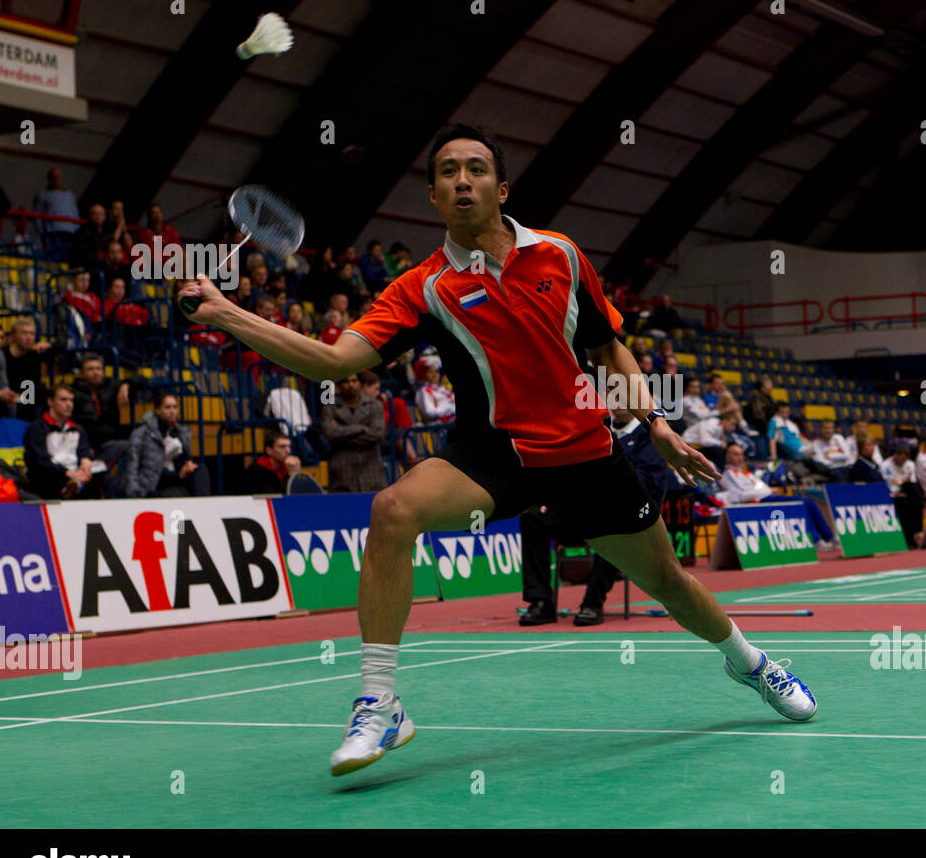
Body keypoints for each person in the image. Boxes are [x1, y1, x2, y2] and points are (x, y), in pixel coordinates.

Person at [177, 121, 816, 776]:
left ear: (501, 187)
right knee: (394, 510)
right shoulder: (421, 287)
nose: (462, 179)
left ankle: (754, 665)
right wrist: (230, 314)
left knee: (671, 585)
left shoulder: (561, 257)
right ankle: (379, 702)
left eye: (475, 168)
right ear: (432, 196)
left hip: (582, 450)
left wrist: (656, 421)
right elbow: (333, 362)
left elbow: (607, 347)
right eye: (448, 170)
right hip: (491, 455)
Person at [518, 405, 673, 626]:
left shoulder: (647, 436)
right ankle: (540, 602)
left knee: (612, 524)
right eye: (612, 395)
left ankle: (592, 602)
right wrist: (551, 499)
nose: (617, 402)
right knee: (533, 519)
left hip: (624, 517)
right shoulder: (596, 428)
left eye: (622, 396)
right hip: (580, 511)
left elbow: (648, 484)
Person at [24, 386, 105, 499]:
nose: (69, 404)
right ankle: (72, 487)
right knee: (46, 473)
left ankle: (76, 487)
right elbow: (39, 459)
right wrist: (68, 473)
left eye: (71, 400)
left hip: (75, 472)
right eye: (63, 400)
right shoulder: (37, 428)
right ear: (50, 402)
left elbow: (84, 450)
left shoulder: (79, 429)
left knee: (103, 472)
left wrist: (85, 461)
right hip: (51, 473)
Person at [123, 393, 210, 497]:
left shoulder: (181, 432)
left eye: (175, 407)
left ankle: (204, 504)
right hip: (155, 483)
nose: (172, 411)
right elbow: (133, 465)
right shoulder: (142, 433)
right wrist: (133, 493)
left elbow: (186, 458)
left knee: (200, 469)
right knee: (176, 495)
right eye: (167, 407)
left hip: (178, 479)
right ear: (157, 410)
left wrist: (187, 465)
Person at [319, 372, 386, 493]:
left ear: (360, 384)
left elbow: (378, 434)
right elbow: (330, 433)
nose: (351, 385)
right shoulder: (330, 407)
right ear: (339, 386)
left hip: (372, 471)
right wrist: (361, 429)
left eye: (354, 381)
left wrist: (342, 433)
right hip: (342, 473)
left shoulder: (375, 405)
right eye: (346, 381)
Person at [70, 353, 139, 467]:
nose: (95, 372)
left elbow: (141, 379)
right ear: (82, 373)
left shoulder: (111, 385)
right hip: (83, 443)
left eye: (98, 369)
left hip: (109, 439)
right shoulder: (73, 391)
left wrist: (126, 384)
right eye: (90, 369)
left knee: (134, 447)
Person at [2, 316, 53, 421]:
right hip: (7, 401)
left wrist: (48, 345)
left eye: (32, 333)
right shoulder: (2, 355)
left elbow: (62, 347)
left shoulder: (34, 355)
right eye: (24, 333)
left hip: (28, 402)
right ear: (13, 335)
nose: (29, 337)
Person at [881, 441, 923, 548]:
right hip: (892, 494)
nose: (903, 463)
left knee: (916, 501)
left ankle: (917, 532)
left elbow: (911, 484)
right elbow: (886, 486)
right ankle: (908, 538)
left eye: (905, 460)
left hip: (906, 492)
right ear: (896, 455)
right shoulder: (886, 466)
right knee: (904, 504)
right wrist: (898, 494)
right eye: (901, 459)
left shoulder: (910, 465)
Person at [31, 167, 79, 259]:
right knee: (54, 258)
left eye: (59, 177)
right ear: (49, 179)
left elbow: (75, 214)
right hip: (52, 233)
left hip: (69, 233)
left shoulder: (69, 195)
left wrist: (75, 230)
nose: (57, 180)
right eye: (54, 177)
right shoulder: (42, 195)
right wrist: (43, 232)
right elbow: (37, 216)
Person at [242, 430, 303, 494]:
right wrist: (290, 476)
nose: (288, 451)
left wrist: (295, 475)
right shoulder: (257, 471)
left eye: (289, 446)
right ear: (269, 451)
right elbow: (275, 499)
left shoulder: (287, 467)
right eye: (282, 447)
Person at [70, 203, 110, 271]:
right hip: (88, 266)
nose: (98, 216)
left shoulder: (106, 231)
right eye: (95, 214)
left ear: (105, 216)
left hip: (103, 265)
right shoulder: (83, 232)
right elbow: (81, 253)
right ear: (90, 215)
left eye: (100, 214)